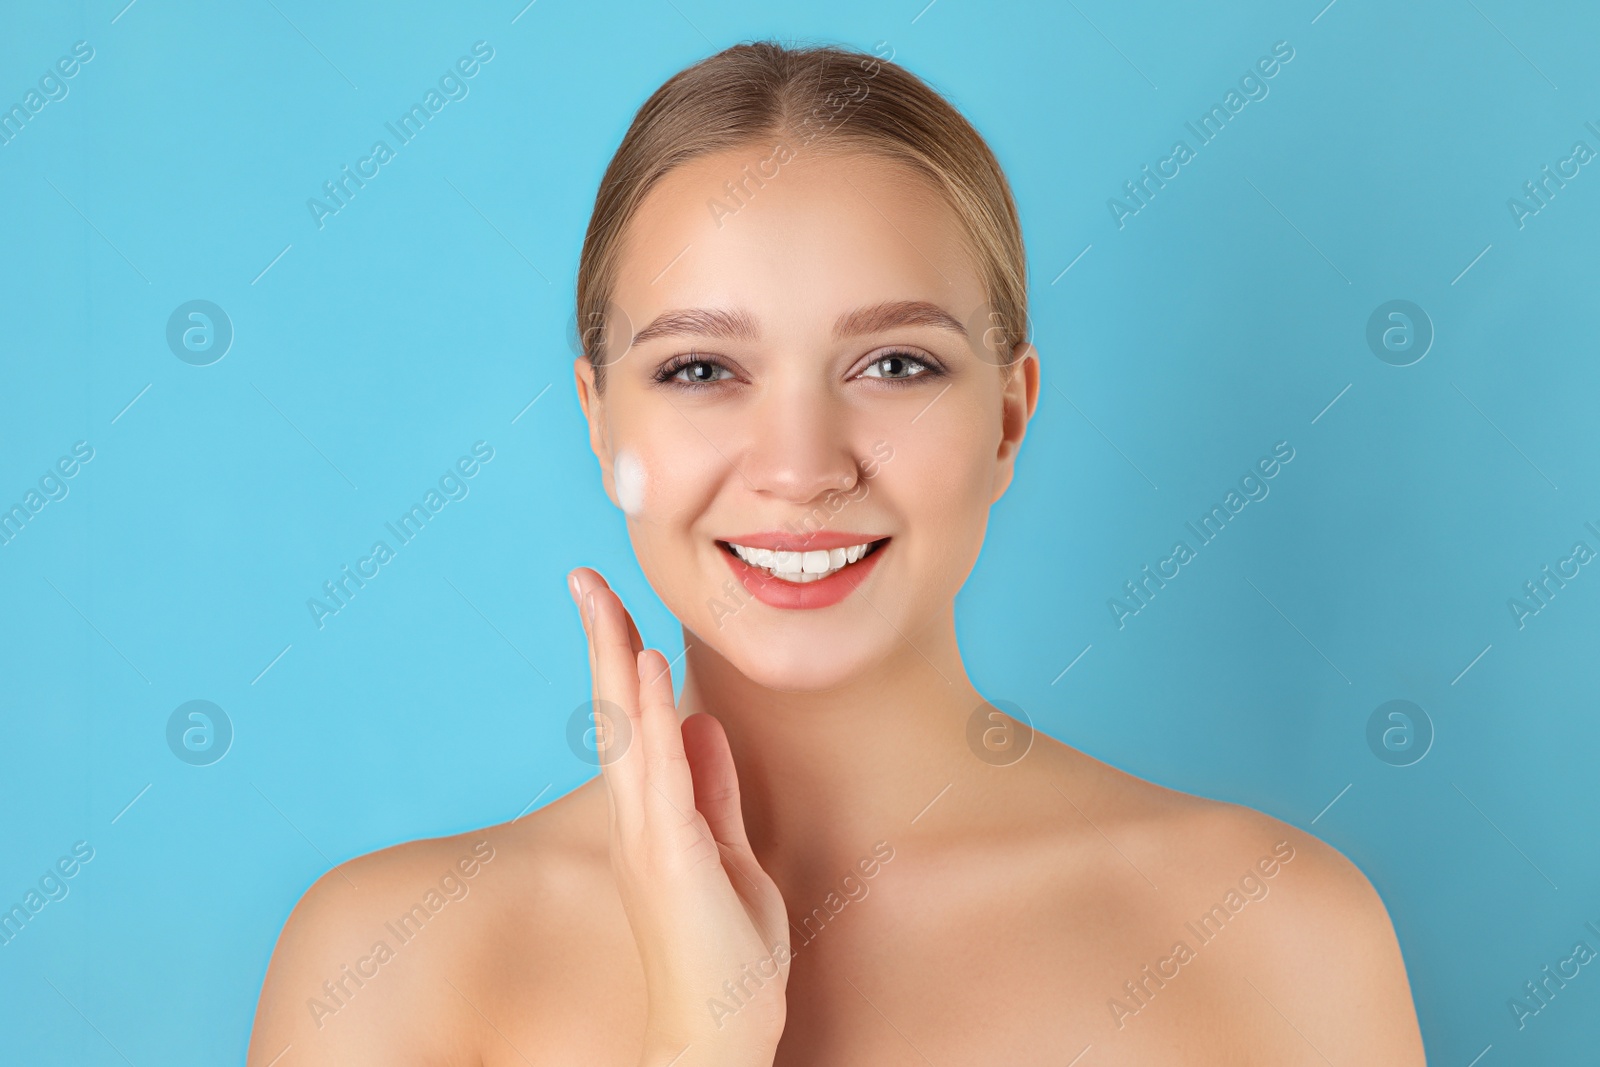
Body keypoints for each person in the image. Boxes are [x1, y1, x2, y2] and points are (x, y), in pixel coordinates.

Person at [248, 41, 1427, 1065]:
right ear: (600, 419)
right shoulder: (389, 961)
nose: (802, 466)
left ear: (1008, 416)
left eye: (894, 364)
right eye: (701, 370)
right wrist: (701, 1041)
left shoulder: (1269, 931)